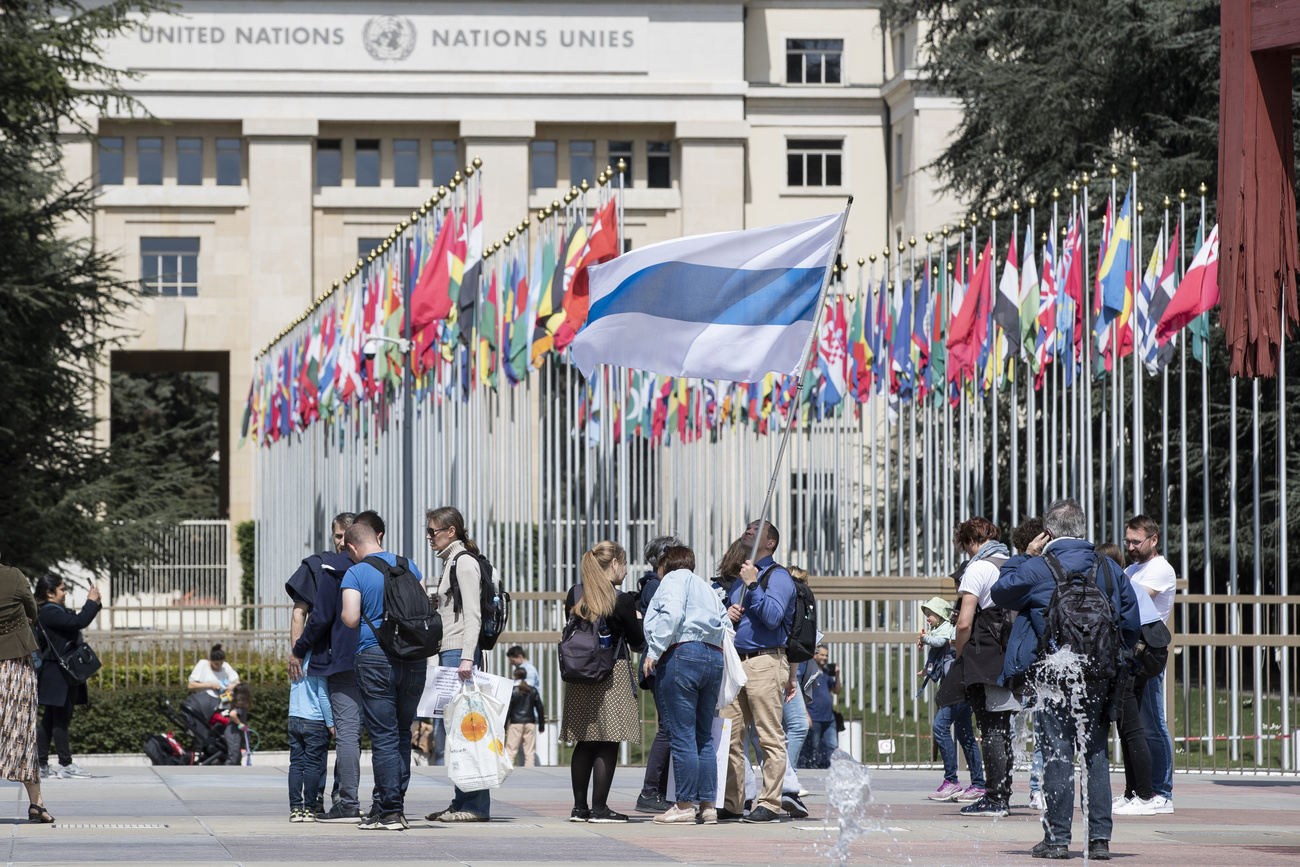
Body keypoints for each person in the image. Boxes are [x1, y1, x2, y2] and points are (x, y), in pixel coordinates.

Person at [992, 498, 1140, 862]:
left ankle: (1058, 840)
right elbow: (1132, 621)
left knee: (1057, 753)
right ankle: (1100, 840)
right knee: (1096, 753)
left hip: (1054, 672)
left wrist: (1025, 554)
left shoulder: (1038, 567)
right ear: (1084, 530)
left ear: (1049, 532)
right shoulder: (1108, 568)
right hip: (1100, 675)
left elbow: (999, 591)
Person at [340, 521, 427, 830]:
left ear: (352, 547)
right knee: (403, 733)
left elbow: (350, 618)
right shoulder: (408, 565)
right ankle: (392, 806)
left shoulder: (356, 572)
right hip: (414, 658)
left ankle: (388, 810)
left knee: (384, 737)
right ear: (376, 538)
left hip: (375, 656)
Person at [641, 545, 727, 824]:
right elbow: (726, 624)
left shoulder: (673, 580)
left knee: (682, 736)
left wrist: (654, 650)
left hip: (682, 653)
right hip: (713, 656)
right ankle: (708, 805)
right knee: (704, 736)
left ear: (666, 564)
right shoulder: (707, 587)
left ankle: (684, 805)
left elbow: (673, 613)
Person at [561, 540, 645, 823]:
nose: (626, 571)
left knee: (585, 740)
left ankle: (579, 808)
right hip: (612, 673)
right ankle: (599, 809)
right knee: (608, 741)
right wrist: (637, 618)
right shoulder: (620, 599)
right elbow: (637, 642)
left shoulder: (575, 594)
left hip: (579, 673)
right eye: (624, 564)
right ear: (614, 564)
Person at [934, 517, 1013, 818]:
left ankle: (994, 798)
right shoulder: (1010, 562)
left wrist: (959, 650)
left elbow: (965, 621)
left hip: (985, 654)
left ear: (968, 541)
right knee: (1003, 727)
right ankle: (1002, 792)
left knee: (990, 726)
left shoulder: (978, 567)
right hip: (1010, 652)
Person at [719, 519, 795, 824]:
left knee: (768, 735)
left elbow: (774, 617)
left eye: (757, 528)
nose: (748, 530)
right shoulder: (742, 576)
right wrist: (730, 613)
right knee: (730, 733)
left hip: (766, 661)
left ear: (770, 542)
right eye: (748, 527)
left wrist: (753, 585)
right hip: (738, 660)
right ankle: (733, 802)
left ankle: (769, 802)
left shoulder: (777, 576)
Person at [292, 518, 363, 822]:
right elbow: (300, 613)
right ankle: (324, 799)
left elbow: (312, 617)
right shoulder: (319, 566)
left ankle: (337, 796)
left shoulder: (348, 567)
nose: (341, 541)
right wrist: (297, 654)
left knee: (342, 734)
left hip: (343, 660)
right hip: (328, 659)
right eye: (337, 535)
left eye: (346, 536)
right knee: (339, 735)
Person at [424, 505, 492, 823]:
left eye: (433, 531)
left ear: (450, 531)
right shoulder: (452, 561)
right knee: (459, 732)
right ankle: (462, 801)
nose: (429, 536)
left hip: (459, 656)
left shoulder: (463, 562)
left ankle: (475, 806)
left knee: (467, 732)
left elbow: (473, 615)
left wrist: (467, 655)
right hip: (450, 654)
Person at [1123, 514, 1176, 814]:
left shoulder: (1160, 568)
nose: (1130, 546)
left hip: (1149, 655)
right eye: (1127, 541)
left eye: (1136, 541)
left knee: (1153, 725)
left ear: (1153, 539)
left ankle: (1162, 792)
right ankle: (1139, 791)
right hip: (1133, 655)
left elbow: (1134, 599)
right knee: (1137, 727)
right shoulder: (1132, 567)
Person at [634, 533, 685, 815]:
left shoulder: (660, 585)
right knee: (667, 728)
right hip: (661, 664)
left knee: (671, 728)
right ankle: (650, 791)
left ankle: (659, 791)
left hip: (664, 663)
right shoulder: (656, 586)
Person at [0, 557, 53, 822]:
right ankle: (37, 804)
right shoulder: (14, 576)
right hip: (15, 662)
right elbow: (32, 607)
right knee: (20, 729)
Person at [34, 573, 101, 779]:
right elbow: (78, 622)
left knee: (50, 719)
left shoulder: (55, 611)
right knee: (60, 718)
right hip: (57, 673)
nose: (65, 593)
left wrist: (95, 602)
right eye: (62, 589)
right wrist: (91, 601)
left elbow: (78, 620)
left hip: (60, 673)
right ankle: (65, 764)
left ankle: (42, 764)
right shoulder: (48, 612)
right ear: (49, 592)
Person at [917, 596, 984, 803]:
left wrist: (926, 639)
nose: (928, 618)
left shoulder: (948, 628)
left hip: (955, 688)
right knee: (965, 736)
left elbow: (941, 643)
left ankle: (951, 781)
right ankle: (978, 784)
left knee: (940, 727)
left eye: (930, 614)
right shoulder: (946, 628)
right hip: (962, 688)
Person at [779, 567, 813, 819]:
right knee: (761, 734)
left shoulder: (796, 600)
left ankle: (787, 782)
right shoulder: (787, 598)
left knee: (797, 725)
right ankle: (783, 784)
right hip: (776, 666)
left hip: (789, 669)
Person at [287, 650, 334, 822]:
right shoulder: (319, 659)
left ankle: (295, 810)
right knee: (313, 765)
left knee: (296, 764)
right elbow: (322, 694)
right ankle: (309, 809)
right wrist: (331, 723)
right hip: (314, 719)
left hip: (294, 717)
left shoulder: (295, 659)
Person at [798, 645, 839, 769]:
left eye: (826, 655)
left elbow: (837, 691)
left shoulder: (826, 673)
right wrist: (806, 714)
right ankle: (812, 769)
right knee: (814, 747)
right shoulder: (810, 673)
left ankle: (833, 769)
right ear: (815, 655)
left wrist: (837, 675)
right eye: (822, 655)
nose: (824, 658)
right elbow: (802, 694)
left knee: (833, 745)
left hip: (829, 717)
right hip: (814, 716)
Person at [505, 666, 544, 767]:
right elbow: (540, 707)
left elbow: (508, 710)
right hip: (530, 722)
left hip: (515, 723)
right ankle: (529, 772)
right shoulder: (532, 690)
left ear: (515, 676)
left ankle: (509, 769)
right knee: (529, 751)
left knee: (511, 750)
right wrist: (541, 725)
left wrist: (504, 727)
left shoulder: (512, 690)